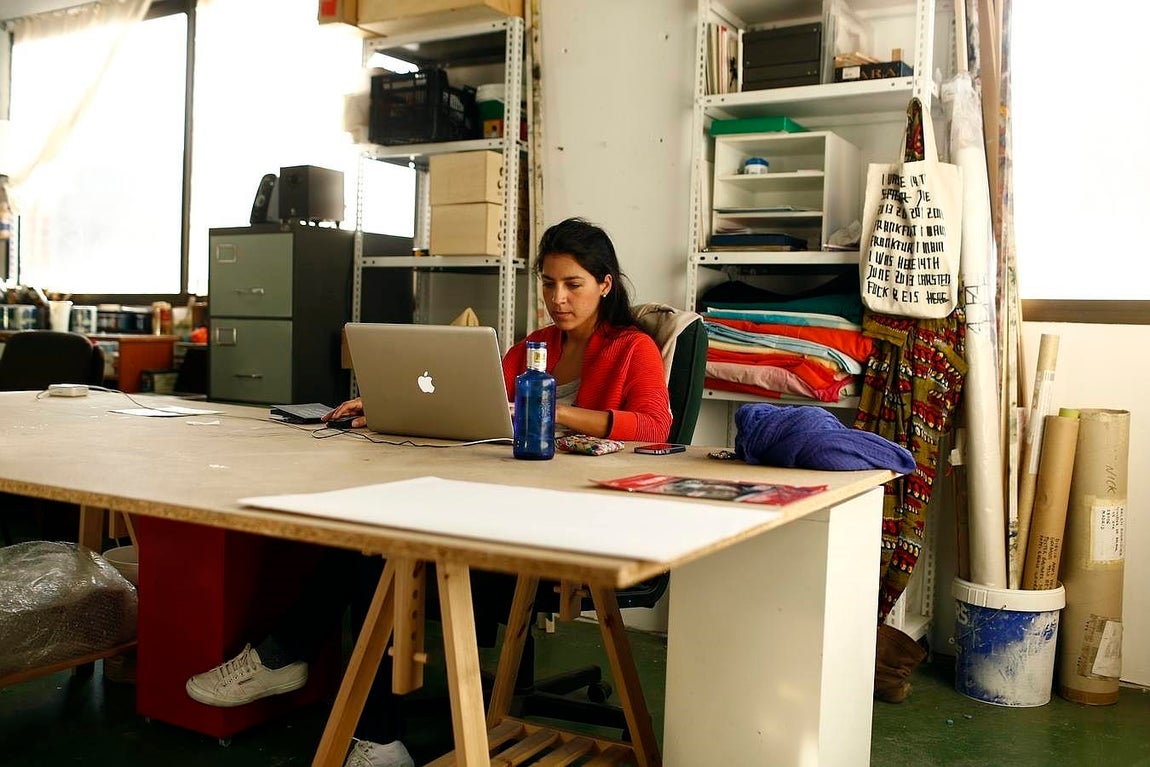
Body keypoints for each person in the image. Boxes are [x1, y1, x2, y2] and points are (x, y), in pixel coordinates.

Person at [184, 217, 671, 767]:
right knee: (369, 536)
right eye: (548, 283)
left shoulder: (632, 348)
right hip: (502, 502)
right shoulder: (535, 345)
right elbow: (473, 404)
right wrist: (384, 404)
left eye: (573, 284)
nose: (557, 298)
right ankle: (346, 711)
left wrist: (552, 410)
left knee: (382, 555)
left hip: (564, 526)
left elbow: (655, 428)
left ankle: (306, 674)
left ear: (604, 284)